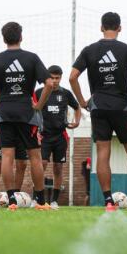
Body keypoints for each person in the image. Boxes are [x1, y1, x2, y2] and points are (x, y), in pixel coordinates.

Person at [69, 12, 127, 212]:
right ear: (119, 28)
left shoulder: (89, 50)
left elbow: (73, 77)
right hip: (122, 107)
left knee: (102, 154)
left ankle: (108, 202)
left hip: (98, 107)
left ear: (101, 27)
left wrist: (82, 101)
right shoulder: (125, 49)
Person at [0, 22, 53, 210]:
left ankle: (12, 201)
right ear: (21, 36)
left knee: (7, 157)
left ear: (4, 39)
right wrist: (39, 106)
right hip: (27, 114)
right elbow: (49, 84)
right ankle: (42, 202)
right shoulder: (31, 58)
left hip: (5, 114)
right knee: (35, 156)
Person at [36, 65, 81, 209]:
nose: (54, 81)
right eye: (52, 78)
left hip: (60, 136)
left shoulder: (66, 94)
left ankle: (54, 200)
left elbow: (77, 107)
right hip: (43, 136)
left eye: (57, 78)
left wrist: (77, 121)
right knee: (40, 165)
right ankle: (37, 198)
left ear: (61, 78)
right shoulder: (38, 92)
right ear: (47, 78)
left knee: (58, 167)